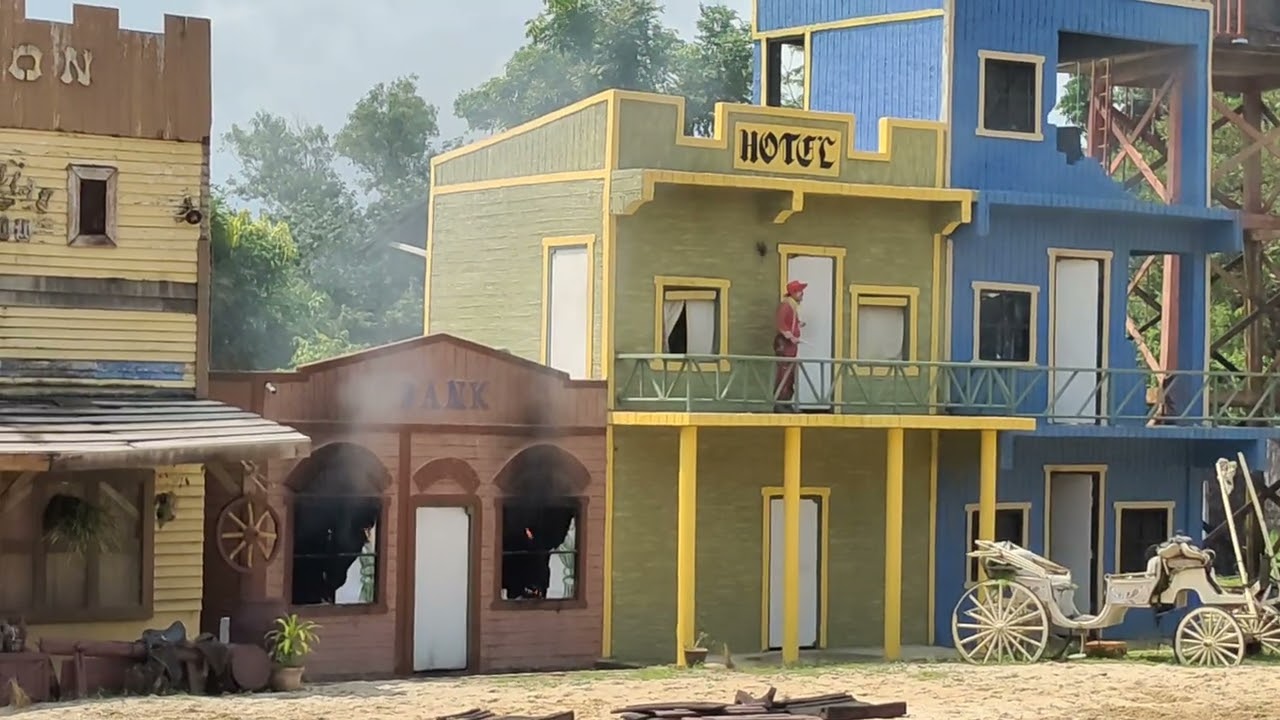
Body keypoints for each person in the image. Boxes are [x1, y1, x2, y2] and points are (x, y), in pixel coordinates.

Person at [773, 280, 806, 411]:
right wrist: (790, 336)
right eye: (800, 291)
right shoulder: (786, 306)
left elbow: (789, 323)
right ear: (794, 293)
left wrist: (798, 325)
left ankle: (786, 401)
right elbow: (780, 323)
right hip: (785, 345)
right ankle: (780, 402)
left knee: (789, 373)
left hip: (790, 346)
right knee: (784, 373)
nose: (802, 294)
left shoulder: (791, 306)